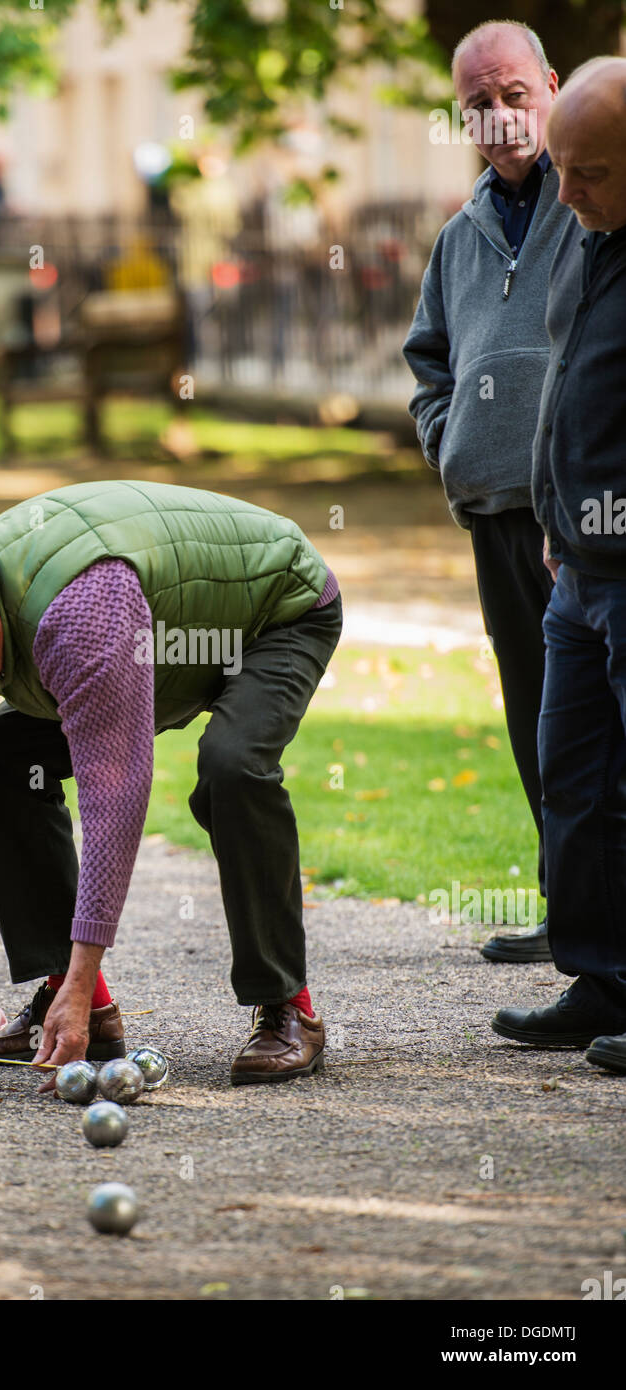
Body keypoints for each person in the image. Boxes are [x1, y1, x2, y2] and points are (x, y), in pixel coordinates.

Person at [0, 481, 341, 1086]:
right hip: (161, 638)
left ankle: (289, 1008)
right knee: (2, 754)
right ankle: (70, 995)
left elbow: (113, 799)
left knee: (232, 766)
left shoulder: (80, 614)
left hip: (276, 614)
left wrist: (90, 967)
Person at [403, 20, 569, 965]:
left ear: (547, 86)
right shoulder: (458, 237)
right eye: (478, 104)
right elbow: (427, 361)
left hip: (580, 517)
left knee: (596, 717)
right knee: (534, 713)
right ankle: (567, 909)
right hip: (495, 514)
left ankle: (602, 918)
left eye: (513, 95)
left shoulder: (591, 208)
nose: (499, 118)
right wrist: (449, 443)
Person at [491, 57, 626, 1068]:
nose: (565, 191)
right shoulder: (586, 238)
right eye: (563, 169)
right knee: (570, 781)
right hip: (572, 571)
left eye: (590, 173)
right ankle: (601, 978)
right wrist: (549, 509)